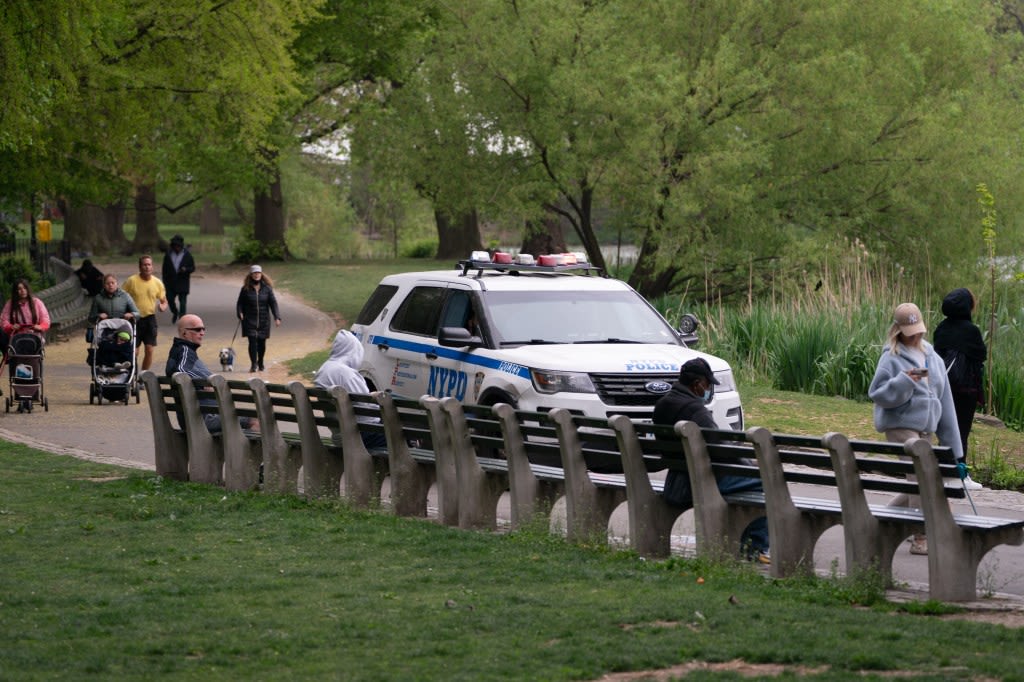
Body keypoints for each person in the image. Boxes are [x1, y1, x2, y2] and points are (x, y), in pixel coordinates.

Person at [868, 302, 965, 556]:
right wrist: (904, 381)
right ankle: (921, 535)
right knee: (922, 475)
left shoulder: (933, 357)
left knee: (919, 479)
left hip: (925, 431)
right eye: (910, 330)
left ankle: (882, 521)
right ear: (898, 330)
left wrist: (956, 451)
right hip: (900, 427)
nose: (916, 335)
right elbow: (877, 394)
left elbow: (946, 404)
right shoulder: (891, 356)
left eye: (918, 329)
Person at [652, 357, 770, 564]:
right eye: (707, 385)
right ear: (697, 384)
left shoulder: (662, 405)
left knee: (748, 483)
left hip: (676, 483)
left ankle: (739, 543)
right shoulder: (695, 410)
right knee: (767, 482)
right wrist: (748, 464)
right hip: (698, 483)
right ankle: (754, 548)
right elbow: (719, 450)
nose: (708, 390)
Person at [933, 288, 986, 491]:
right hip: (965, 390)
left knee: (945, 430)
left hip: (943, 387)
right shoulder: (971, 331)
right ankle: (960, 475)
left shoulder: (941, 328)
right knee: (961, 432)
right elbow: (980, 354)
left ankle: (945, 471)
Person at [166, 313, 254, 434]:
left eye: (203, 329)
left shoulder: (183, 351)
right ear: (184, 333)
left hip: (200, 417)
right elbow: (180, 370)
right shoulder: (184, 351)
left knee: (250, 419)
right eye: (197, 329)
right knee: (255, 420)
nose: (202, 333)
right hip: (203, 420)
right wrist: (203, 383)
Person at [313, 329, 387, 450]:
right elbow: (368, 411)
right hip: (359, 435)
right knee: (403, 433)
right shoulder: (346, 373)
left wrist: (369, 395)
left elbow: (355, 398)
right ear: (353, 352)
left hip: (339, 435)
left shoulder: (324, 370)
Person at [121, 255, 168, 371]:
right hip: (134, 319)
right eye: (144, 265)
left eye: (149, 264)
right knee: (134, 351)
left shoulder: (157, 283)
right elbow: (121, 297)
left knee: (149, 349)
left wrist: (162, 306)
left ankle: (143, 375)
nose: (147, 267)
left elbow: (164, 301)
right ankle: (133, 374)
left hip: (150, 319)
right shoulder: (131, 281)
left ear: (152, 267)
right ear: (139, 266)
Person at [236, 265, 281, 373]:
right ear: (251, 275)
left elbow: (273, 303)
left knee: (262, 343)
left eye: (258, 273)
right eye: (254, 273)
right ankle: (253, 364)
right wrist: (239, 313)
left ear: (261, 274)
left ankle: (260, 361)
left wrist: (277, 317)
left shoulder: (267, 289)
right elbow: (240, 303)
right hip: (249, 320)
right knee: (252, 342)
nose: (256, 275)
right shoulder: (245, 289)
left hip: (264, 320)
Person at [161, 234, 195, 323]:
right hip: (170, 282)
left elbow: (192, 268)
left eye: (178, 246)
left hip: (182, 281)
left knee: (183, 302)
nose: (176, 248)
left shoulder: (187, 255)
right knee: (170, 299)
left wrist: (186, 269)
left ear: (181, 246)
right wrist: (164, 282)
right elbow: (164, 269)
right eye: (174, 246)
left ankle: (182, 319)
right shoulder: (168, 255)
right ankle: (175, 312)